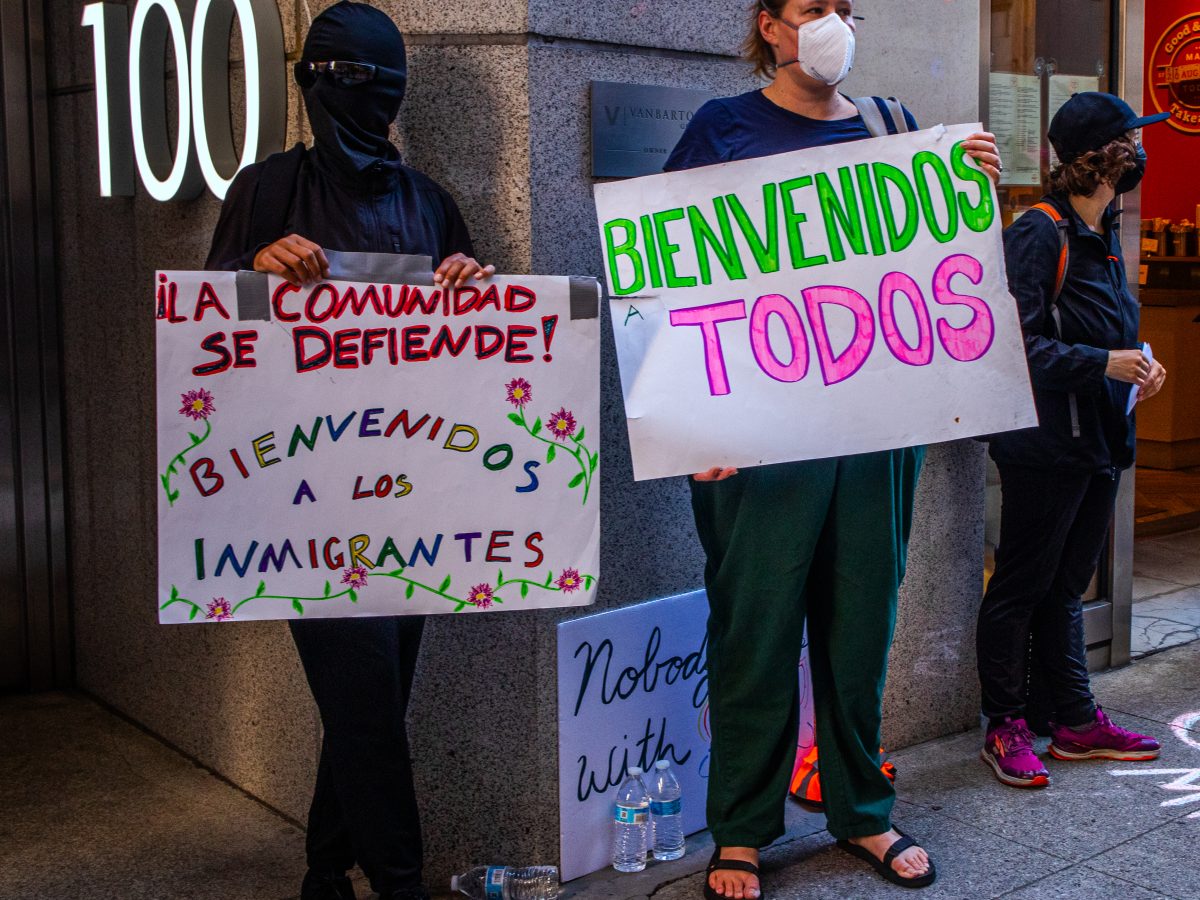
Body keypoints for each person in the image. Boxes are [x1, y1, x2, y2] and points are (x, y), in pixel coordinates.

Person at [664, 1, 1002, 894]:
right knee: (755, 630)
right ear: (770, 26)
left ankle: (863, 812)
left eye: (847, 9)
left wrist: (967, 190)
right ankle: (740, 827)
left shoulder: (894, 128)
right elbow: (664, 285)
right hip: (762, 437)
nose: (836, 24)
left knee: (862, 628)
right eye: (816, 8)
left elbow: (932, 273)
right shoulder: (722, 129)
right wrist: (691, 421)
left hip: (876, 431)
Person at [206, 4, 493, 898]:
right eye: (342, 75)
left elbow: (476, 359)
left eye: (379, 77)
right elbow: (200, 334)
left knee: (373, 698)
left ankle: (325, 869)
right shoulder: (263, 190)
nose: (363, 96)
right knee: (366, 699)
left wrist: (472, 288)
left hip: (412, 498)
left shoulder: (430, 204)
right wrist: (254, 269)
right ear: (311, 83)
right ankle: (401, 881)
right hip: (303, 500)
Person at [977, 92, 1168, 789]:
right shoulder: (1040, 232)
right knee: (1020, 588)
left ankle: (1075, 720)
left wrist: (1141, 363)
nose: (1142, 153)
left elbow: (1109, 332)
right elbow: (1010, 345)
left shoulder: (1105, 233)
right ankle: (1004, 725)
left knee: (1063, 588)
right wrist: (1100, 364)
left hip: (1100, 443)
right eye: (1132, 141)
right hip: (1045, 448)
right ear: (1100, 156)